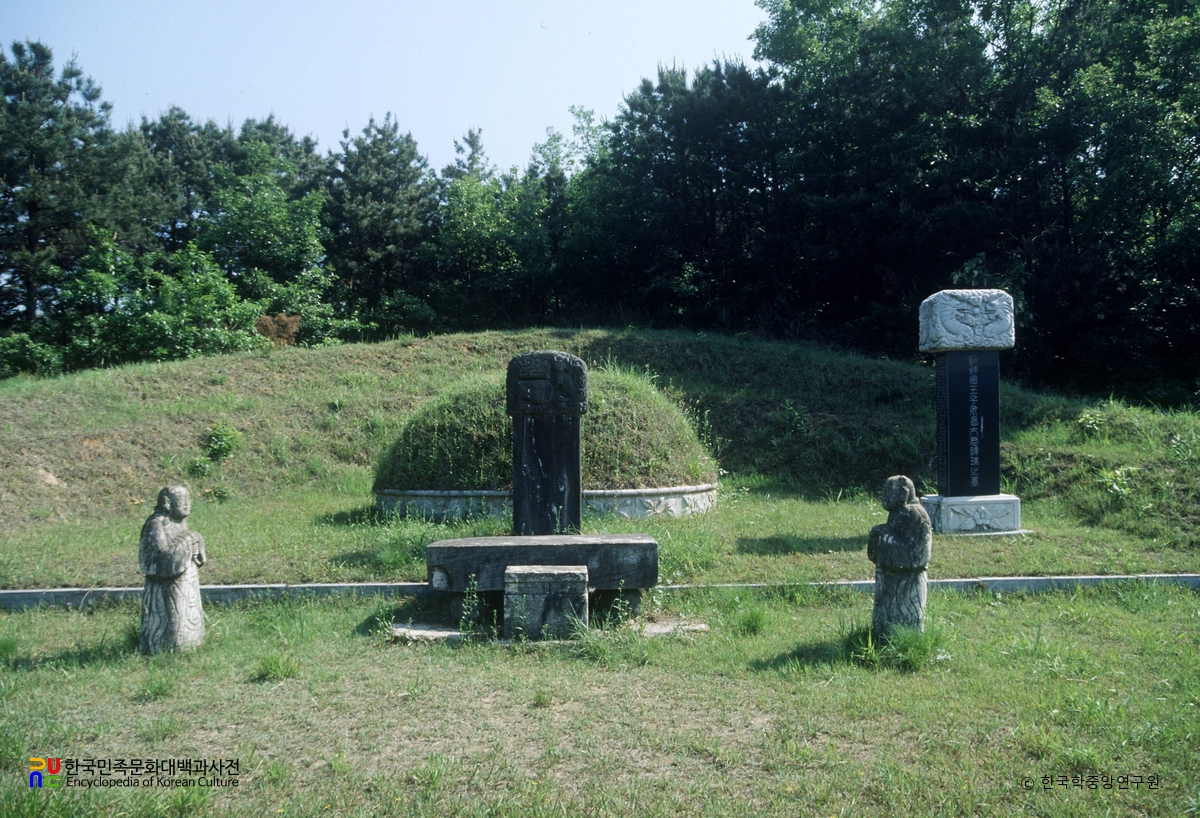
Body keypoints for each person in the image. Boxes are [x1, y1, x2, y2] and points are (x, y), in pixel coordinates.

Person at [139, 486, 206, 653]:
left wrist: (195, 541)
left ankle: (190, 644)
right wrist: (189, 539)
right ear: (168, 503)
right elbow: (161, 562)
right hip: (166, 589)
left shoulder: (179, 522)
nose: (186, 505)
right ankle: (166, 650)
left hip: (185, 583)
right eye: (182, 501)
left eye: (188, 500)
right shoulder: (157, 524)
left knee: (187, 617)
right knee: (172, 623)